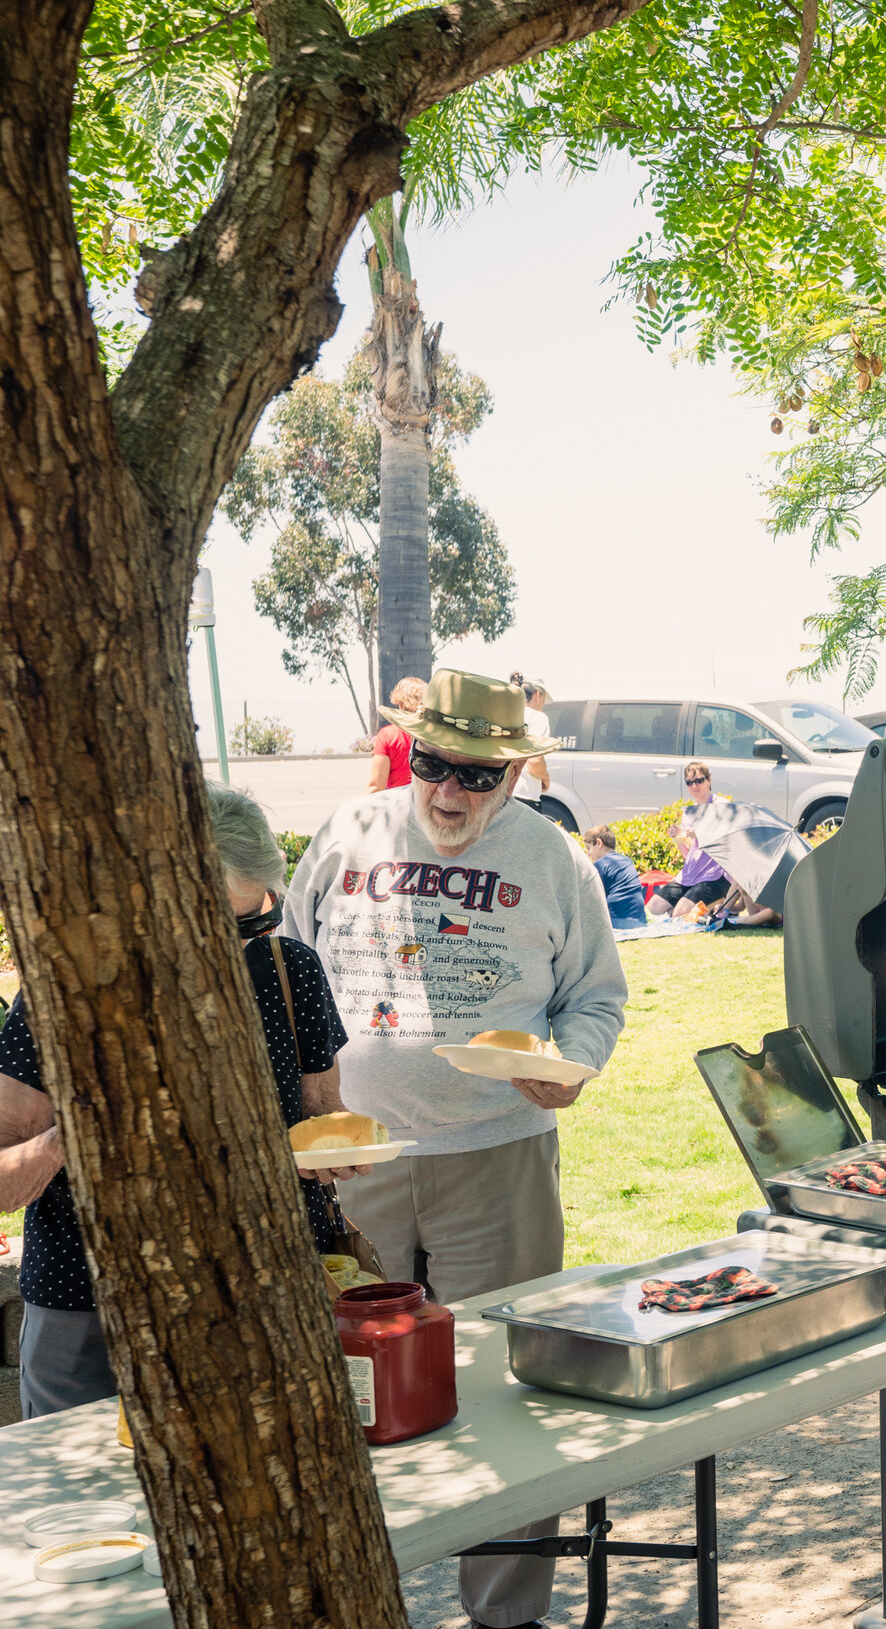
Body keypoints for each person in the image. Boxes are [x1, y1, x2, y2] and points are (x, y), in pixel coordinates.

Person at [283, 668, 626, 1629]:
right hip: (355, 1166)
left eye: (478, 777)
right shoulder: (346, 832)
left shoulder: (552, 856)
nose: (450, 792)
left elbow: (595, 997)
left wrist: (573, 1065)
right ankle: (357, 1599)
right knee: (348, 1390)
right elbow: (290, 974)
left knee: (512, 1396)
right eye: (436, 765)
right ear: (412, 753)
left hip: (497, 1157)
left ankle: (505, 1617)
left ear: (515, 775)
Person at [0, 784, 354, 1418]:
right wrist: (70, 1139)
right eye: (219, 927)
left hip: (260, 1295)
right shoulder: (68, 992)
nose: (242, 945)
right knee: (82, 1510)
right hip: (91, 1306)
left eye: (258, 919)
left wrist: (328, 1148)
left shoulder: (287, 969)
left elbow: (321, 1113)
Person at [649, 761, 732, 920]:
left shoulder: (721, 806)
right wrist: (678, 838)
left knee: (679, 915)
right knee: (652, 909)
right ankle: (696, 907)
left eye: (699, 780)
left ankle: (715, 904)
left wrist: (698, 833)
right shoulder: (689, 813)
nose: (694, 786)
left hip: (715, 876)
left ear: (709, 780)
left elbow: (726, 836)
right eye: (689, 782)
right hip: (689, 875)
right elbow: (689, 854)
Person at [367, 676, 426, 792]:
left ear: (400, 704)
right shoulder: (434, 736)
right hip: (428, 805)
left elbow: (376, 786)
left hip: (398, 805)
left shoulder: (387, 735)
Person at [583, 825, 649, 929]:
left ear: (599, 843)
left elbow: (591, 899)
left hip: (617, 922)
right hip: (640, 921)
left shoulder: (600, 865)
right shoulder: (627, 860)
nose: (588, 854)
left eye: (589, 848)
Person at [509, 675, 554, 817]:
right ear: (537, 695)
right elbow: (534, 760)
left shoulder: (508, 712)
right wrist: (545, 778)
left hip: (502, 792)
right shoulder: (538, 718)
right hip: (526, 795)